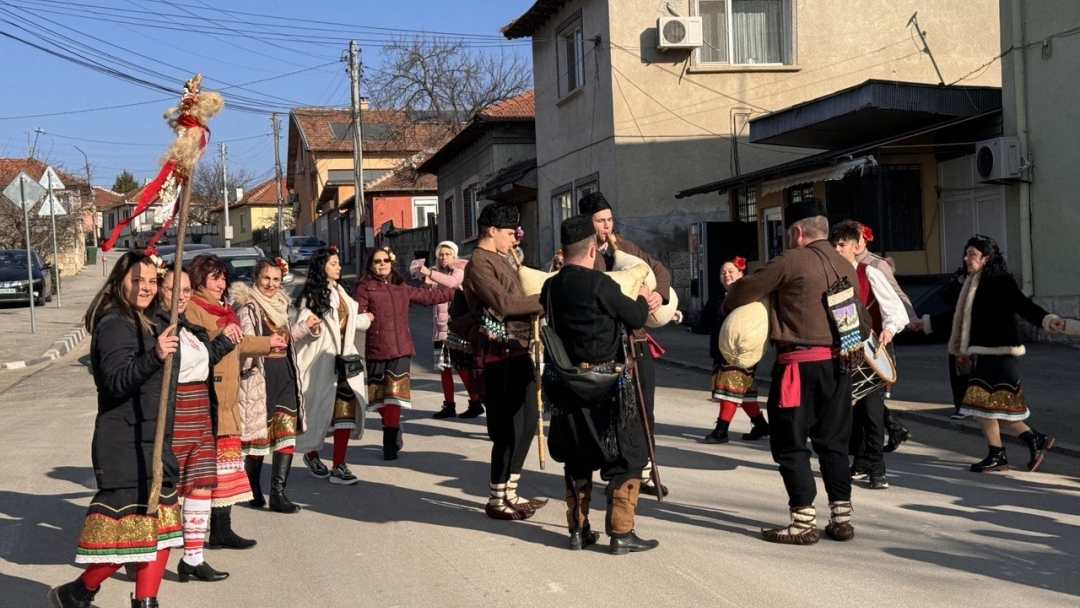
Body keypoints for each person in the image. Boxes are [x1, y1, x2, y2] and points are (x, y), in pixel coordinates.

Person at [723, 197, 864, 545]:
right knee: (833, 442)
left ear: (797, 232)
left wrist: (729, 299)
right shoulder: (846, 264)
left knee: (790, 442)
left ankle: (803, 521)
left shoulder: (790, 260)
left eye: (788, 234)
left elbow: (746, 290)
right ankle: (841, 517)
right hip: (840, 363)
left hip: (798, 368)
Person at [49, 251, 181, 608]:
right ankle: (77, 592)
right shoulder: (113, 323)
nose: (146, 287)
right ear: (119, 280)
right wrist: (155, 355)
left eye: (152, 282)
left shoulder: (149, 320)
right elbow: (115, 381)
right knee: (129, 534)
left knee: (158, 529)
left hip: (154, 439)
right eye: (137, 280)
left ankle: (140, 601)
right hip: (125, 442)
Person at [543, 214, 659, 554]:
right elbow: (637, 318)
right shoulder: (600, 284)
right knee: (628, 455)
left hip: (567, 383)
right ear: (593, 250)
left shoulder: (552, 286)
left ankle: (578, 530)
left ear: (564, 251)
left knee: (576, 456)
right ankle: (621, 533)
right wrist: (641, 294)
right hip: (608, 385)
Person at [918, 235, 1064, 472]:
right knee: (994, 408)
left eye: (973, 254)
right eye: (966, 254)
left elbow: (1023, 305)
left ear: (987, 257)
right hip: (985, 355)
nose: (967, 258)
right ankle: (1033, 439)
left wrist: (1048, 320)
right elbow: (960, 315)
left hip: (1001, 355)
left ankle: (999, 455)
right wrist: (928, 322)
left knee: (979, 405)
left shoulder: (1000, 282)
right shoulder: (973, 282)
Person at [186, 254, 284, 550]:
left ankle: (221, 529)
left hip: (228, 399)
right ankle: (199, 536)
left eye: (223, 277)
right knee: (206, 473)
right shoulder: (193, 308)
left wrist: (268, 343)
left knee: (224, 473)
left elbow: (237, 340)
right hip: (209, 401)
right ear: (199, 278)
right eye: (214, 277)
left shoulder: (223, 308)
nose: (220, 283)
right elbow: (204, 343)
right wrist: (227, 335)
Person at [577, 191, 671, 497]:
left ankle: (643, 471)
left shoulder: (627, 247)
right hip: (604, 345)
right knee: (613, 412)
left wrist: (659, 294)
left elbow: (658, 270)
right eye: (600, 221)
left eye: (609, 219)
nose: (607, 227)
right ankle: (617, 474)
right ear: (587, 223)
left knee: (646, 407)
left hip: (636, 340)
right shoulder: (579, 253)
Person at [461, 203, 548, 520]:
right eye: (511, 233)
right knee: (507, 429)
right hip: (498, 354)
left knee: (525, 426)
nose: (516, 240)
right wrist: (549, 296)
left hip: (519, 349)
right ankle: (497, 499)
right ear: (492, 230)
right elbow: (505, 303)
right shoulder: (479, 264)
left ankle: (510, 491)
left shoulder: (501, 260)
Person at [159, 268, 237, 582]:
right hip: (174, 416)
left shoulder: (189, 327)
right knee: (166, 490)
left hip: (201, 412)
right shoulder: (155, 328)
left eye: (187, 290)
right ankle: (144, 551)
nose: (180, 295)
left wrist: (226, 342)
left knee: (201, 487)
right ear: (158, 290)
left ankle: (192, 558)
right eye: (172, 288)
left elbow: (200, 361)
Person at [354, 246, 453, 460]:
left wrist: (455, 291)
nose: (382, 264)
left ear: (391, 263)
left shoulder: (401, 286)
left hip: (401, 350)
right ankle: (394, 425)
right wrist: (362, 316)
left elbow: (426, 297)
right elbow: (358, 313)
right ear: (371, 265)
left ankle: (389, 445)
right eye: (377, 261)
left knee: (394, 399)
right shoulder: (364, 286)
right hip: (376, 350)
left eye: (385, 261)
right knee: (378, 400)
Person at [830, 221, 908, 490]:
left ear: (856, 247)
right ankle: (860, 461)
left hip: (870, 351)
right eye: (835, 245)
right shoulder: (829, 277)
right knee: (850, 415)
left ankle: (877, 467)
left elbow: (895, 308)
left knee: (873, 414)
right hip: (840, 353)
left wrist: (888, 331)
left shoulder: (868, 272)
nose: (838, 249)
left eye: (843, 245)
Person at [234, 258, 308, 513]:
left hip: (284, 375)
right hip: (259, 378)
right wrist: (266, 343)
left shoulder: (280, 305)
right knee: (258, 437)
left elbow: (285, 340)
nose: (271, 284)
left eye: (276, 279)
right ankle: (253, 489)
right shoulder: (248, 307)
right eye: (266, 278)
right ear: (256, 278)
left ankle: (278, 493)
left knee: (285, 434)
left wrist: (305, 328)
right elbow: (244, 342)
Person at [293, 247, 372, 485]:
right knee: (318, 412)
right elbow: (303, 327)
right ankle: (313, 454)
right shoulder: (310, 297)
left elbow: (344, 321)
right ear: (322, 267)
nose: (339, 267)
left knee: (344, 414)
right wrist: (312, 329)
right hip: (321, 363)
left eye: (338, 263)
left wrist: (363, 321)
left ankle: (339, 465)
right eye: (334, 264)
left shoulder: (340, 292)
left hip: (345, 363)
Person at [674, 256, 770, 444]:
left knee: (730, 389)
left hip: (741, 353)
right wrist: (680, 316)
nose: (726, 275)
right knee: (744, 391)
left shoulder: (751, 300)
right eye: (723, 272)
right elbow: (702, 319)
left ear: (741, 274)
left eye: (731, 271)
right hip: (722, 353)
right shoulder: (716, 300)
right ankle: (760, 425)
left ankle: (721, 430)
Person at [852, 224, 916, 451]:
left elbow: (895, 294)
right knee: (860, 395)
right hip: (853, 341)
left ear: (865, 240)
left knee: (868, 394)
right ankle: (892, 429)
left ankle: (873, 452)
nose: (853, 244)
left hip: (875, 338)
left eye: (856, 239)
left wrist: (910, 318)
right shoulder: (840, 264)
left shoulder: (875, 265)